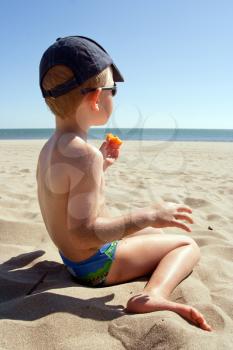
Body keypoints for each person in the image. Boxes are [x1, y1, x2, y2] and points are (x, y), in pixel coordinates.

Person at [37, 36, 212, 331]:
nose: (114, 98)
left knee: (134, 237)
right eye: (112, 90)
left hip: (70, 259)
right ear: (95, 98)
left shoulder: (50, 148)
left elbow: (65, 198)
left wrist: (101, 166)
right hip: (94, 267)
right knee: (187, 244)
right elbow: (83, 234)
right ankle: (152, 295)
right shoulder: (84, 155)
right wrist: (149, 217)